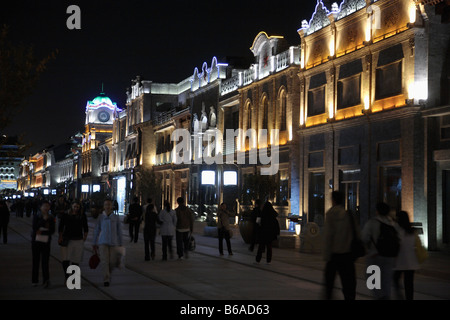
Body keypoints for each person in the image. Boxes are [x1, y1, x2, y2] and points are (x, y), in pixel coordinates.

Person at [323, 191, 359, 300]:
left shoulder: (330, 214)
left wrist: (326, 255)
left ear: (333, 200)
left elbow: (328, 236)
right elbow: (357, 233)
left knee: (329, 285)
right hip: (347, 255)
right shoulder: (349, 215)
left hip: (334, 255)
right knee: (349, 285)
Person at [362, 202, 399, 300]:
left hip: (375, 256)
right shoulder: (393, 223)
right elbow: (399, 239)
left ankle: (379, 297)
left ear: (377, 211)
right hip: (390, 257)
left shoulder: (372, 222)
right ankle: (386, 296)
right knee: (386, 280)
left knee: (372, 280)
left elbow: (364, 238)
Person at [92, 199, 123, 287]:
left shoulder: (115, 217)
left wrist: (121, 243)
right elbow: (97, 230)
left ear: (112, 206)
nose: (108, 206)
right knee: (104, 261)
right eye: (106, 205)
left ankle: (108, 273)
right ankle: (106, 278)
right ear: (104, 206)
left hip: (113, 243)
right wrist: (94, 242)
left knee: (112, 262)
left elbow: (119, 231)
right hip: (103, 242)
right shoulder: (101, 217)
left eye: (109, 205)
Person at [58, 200, 88, 282]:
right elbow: (61, 227)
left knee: (76, 259)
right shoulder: (66, 215)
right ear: (71, 206)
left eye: (77, 207)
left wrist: (85, 236)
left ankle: (73, 278)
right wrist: (60, 237)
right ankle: (67, 276)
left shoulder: (82, 216)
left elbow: (85, 227)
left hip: (78, 239)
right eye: (74, 206)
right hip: (67, 239)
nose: (76, 208)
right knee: (65, 259)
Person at [393, 211, 420, 300]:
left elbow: (397, 245)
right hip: (411, 262)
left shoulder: (398, 230)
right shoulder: (412, 231)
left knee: (394, 280)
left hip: (400, 261)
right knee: (409, 284)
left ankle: (399, 296)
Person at [31, 200, 56, 288]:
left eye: (47, 206)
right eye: (44, 206)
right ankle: (34, 280)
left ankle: (46, 280)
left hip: (46, 241)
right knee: (36, 261)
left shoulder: (51, 217)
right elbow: (35, 228)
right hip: (36, 241)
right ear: (40, 207)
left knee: (45, 261)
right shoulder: (37, 216)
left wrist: (42, 231)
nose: (46, 208)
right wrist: (43, 220)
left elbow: (52, 230)